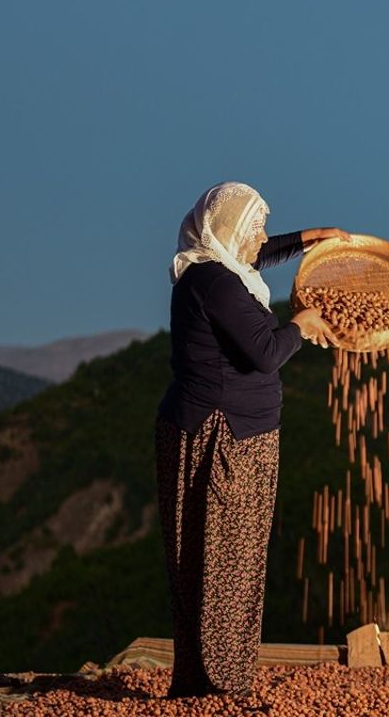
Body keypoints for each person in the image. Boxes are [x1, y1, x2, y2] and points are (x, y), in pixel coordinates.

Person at [155, 181, 345, 697]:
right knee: (222, 563)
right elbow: (264, 352)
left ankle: (213, 681)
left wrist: (312, 237)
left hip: (235, 432)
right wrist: (301, 326)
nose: (262, 237)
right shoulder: (215, 283)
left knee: (226, 562)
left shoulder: (218, 270)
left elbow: (259, 256)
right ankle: (217, 685)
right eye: (254, 227)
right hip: (222, 438)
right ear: (229, 232)